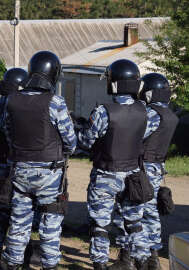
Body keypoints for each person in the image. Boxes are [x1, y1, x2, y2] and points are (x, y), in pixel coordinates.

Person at [1, 51, 77, 270]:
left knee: (19, 223)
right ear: (53, 74)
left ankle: (13, 263)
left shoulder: (12, 100)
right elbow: (70, 141)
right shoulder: (55, 102)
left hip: (20, 170)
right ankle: (49, 266)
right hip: (49, 173)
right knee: (50, 223)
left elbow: (7, 132)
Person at [77, 59, 156, 270]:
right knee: (134, 224)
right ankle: (143, 262)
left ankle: (101, 265)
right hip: (133, 176)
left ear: (114, 83)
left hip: (106, 175)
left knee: (100, 225)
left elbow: (85, 141)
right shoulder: (146, 112)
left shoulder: (104, 111)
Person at [113, 73, 178, 270]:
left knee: (129, 211)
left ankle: (127, 259)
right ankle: (153, 259)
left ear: (149, 93)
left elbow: (134, 134)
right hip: (156, 168)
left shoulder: (151, 114)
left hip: (141, 169)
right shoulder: (171, 115)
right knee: (151, 213)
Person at [0, 68, 28, 270]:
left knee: (2, 213)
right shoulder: (11, 108)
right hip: (11, 167)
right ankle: (20, 256)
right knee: (20, 216)